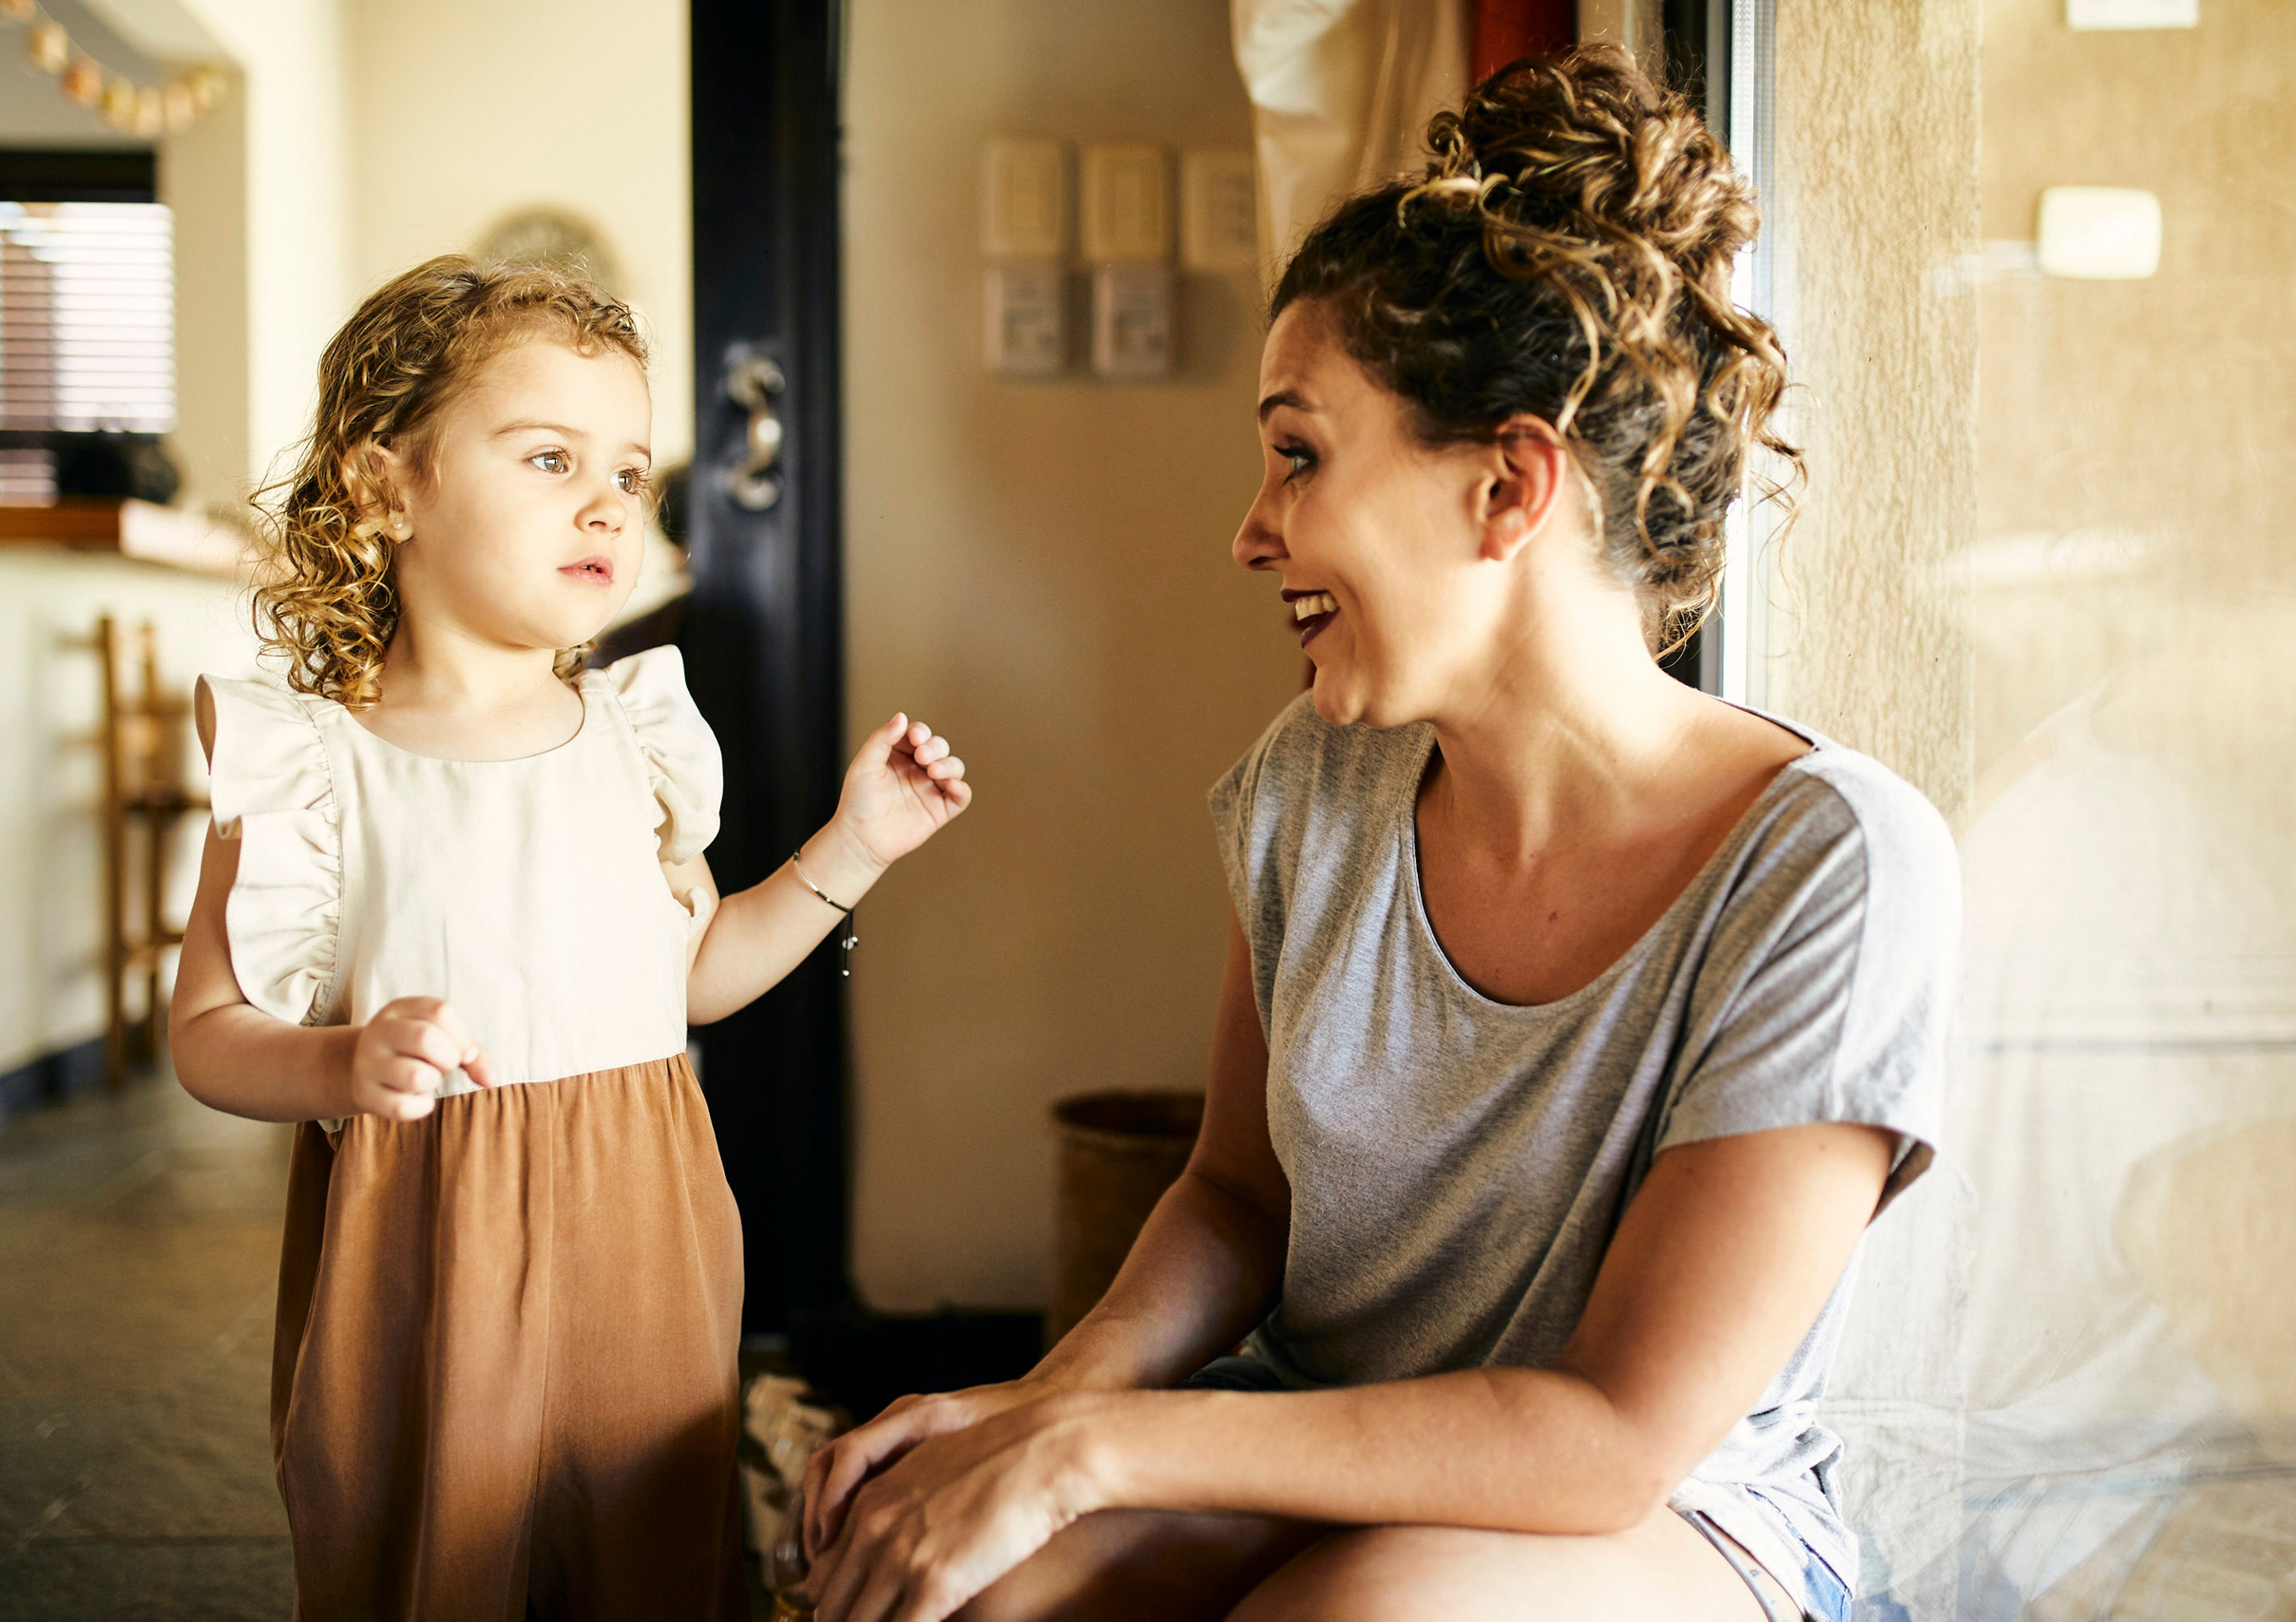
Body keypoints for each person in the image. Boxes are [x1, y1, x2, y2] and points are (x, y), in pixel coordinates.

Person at [797, 48, 1958, 1622]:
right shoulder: (1309, 784)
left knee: (1361, 1616)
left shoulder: (1831, 866)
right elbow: (1235, 1198)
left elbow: (1611, 1436)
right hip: (1310, 1421)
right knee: (987, 1592)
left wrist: (1097, 1454)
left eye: (1298, 453)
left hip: (1661, 1515)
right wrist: (1043, 1410)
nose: (1249, 529)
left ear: (1506, 485)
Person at [166, 258, 971, 1620]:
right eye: (549, 458)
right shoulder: (315, 767)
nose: (607, 502)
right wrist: (338, 1064)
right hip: (427, 1263)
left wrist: (855, 847)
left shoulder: (639, 741)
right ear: (386, 486)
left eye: (632, 474)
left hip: (644, 1242)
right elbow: (205, 1033)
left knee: (648, 1544)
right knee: (439, 1556)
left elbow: (696, 975)